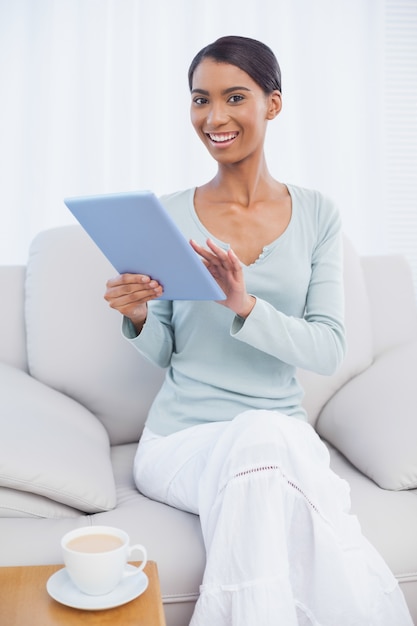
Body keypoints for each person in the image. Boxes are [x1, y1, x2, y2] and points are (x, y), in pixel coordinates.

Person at [104, 36, 412, 626]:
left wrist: (242, 304)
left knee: (265, 443)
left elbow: (328, 349)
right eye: (200, 100)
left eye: (234, 97)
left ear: (272, 104)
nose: (214, 117)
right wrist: (138, 315)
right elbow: (167, 351)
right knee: (263, 448)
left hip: (280, 437)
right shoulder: (167, 214)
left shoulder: (318, 213)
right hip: (182, 441)